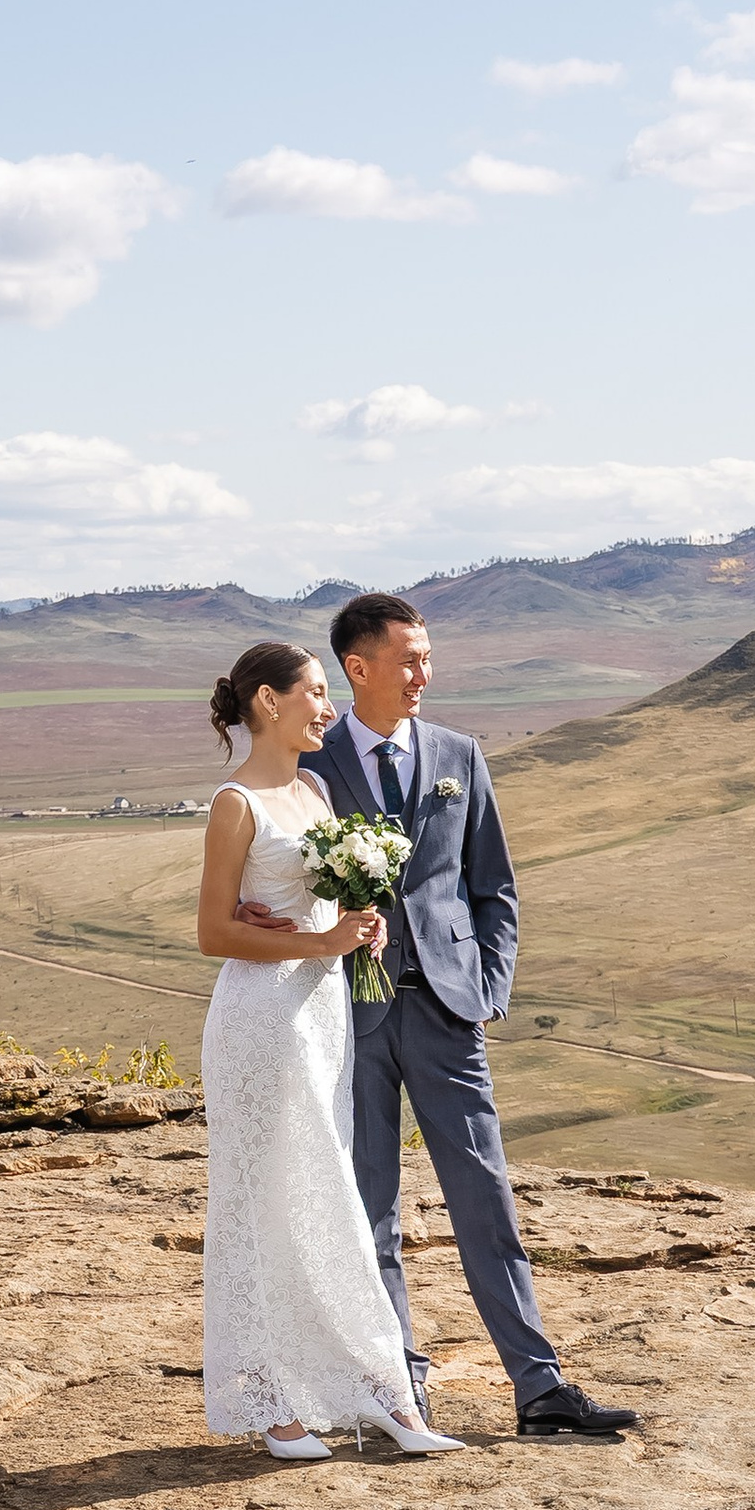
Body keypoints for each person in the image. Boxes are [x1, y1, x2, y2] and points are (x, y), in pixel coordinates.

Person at [294, 589, 635, 1441]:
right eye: (408, 660)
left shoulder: (459, 754)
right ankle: (397, 1387)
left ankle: (540, 1387)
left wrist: (488, 987)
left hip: (450, 1012)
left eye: (428, 658)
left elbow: (494, 888)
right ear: (358, 667)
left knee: (485, 1198)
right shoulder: (311, 763)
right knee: (369, 1208)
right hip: (350, 1014)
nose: (424, 675)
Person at [194, 639, 465, 1463]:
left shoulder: (312, 790)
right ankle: (275, 1402)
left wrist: (358, 925)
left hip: (320, 1015)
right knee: (266, 1201)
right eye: (315, 691)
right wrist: (320, 942)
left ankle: (374, 1389)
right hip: (260, 1021)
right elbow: (213, 932)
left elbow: (316, 907)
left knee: (325, 1193)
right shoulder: (235, 803)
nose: (327, 707)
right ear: (268, 701)